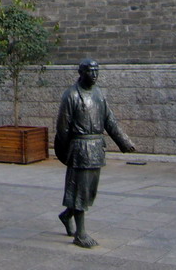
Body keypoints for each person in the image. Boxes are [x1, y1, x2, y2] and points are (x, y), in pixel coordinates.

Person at [55, 58, 135, 248]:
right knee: (80, 190)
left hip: (96, 148)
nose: (94, 75)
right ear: (81, 73)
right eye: (90, 71)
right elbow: (62, 129)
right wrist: (67, 152)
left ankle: (67, 215)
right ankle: (80, 234)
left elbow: (110, 121)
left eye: (96, 71)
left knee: (89, 191)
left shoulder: (99, 94)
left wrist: (124, 142)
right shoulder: (71, 95)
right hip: (80, 148)